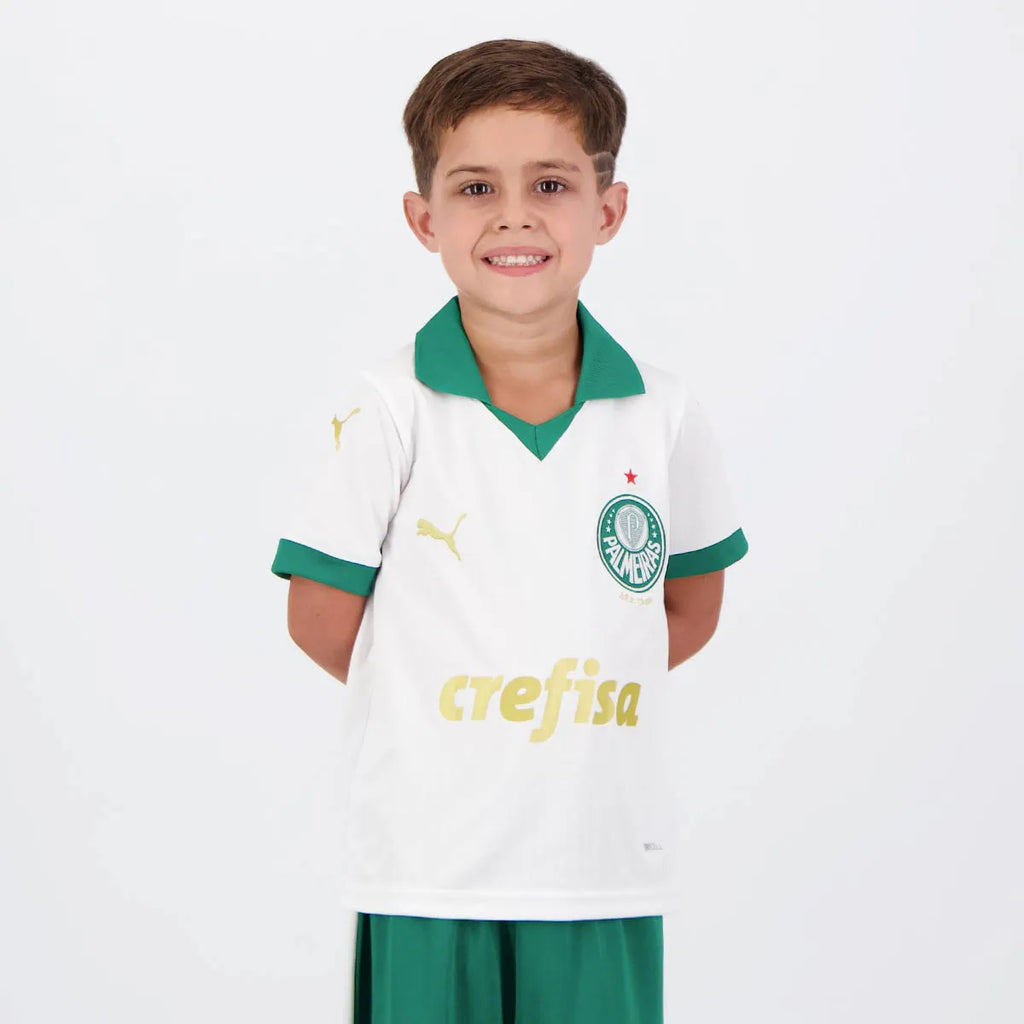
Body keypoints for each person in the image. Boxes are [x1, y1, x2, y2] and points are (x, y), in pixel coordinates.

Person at [271, 36, 749, 1024]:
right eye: (477, 187)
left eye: (551, 184)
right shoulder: (390, 408)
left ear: (608, 210)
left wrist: (561, 692)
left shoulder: (661, 414)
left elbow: (688, 608)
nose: (515, 215)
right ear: (424, 218)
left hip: (600, 866)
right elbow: (319, 619)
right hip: (429, 869)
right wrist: (453, 706)